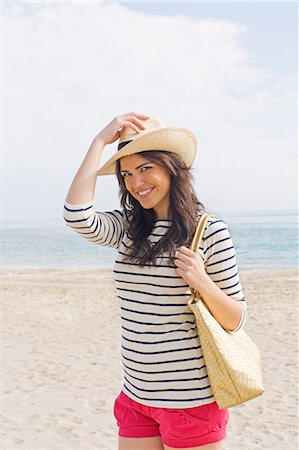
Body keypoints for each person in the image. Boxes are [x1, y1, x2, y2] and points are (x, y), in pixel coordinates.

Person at [63, 112, 248, 450]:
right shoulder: (127, 228)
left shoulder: (208, 231)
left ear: (171, 168)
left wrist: (202, 282)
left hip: (191, 400)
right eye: (127, 173)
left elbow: (236, 319)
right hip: (136, 395)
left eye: (145, 168)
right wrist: (99, 142)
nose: (136, 183)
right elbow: (76, 214)